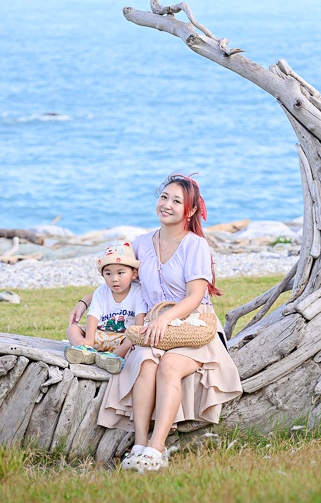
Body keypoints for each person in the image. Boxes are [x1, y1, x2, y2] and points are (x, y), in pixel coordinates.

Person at [68, 174, 242, 473]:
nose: (167, 205)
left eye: (176, 201)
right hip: (152, 330)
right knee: (145, 362)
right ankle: (139, 444)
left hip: (193, 328)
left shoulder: (195, 245)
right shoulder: (141, 244)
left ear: (190, 210)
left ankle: (156, 448)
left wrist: (164, 318)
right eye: (164, 197)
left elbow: (195, 296)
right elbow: (119, 276)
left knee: (170, 365)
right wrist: (85, 301)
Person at [66, 242, 147, 374]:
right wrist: (89, 340)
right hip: (100, 335)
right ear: (102, 275)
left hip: (123, 338)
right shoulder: (101, 291)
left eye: (120, 273)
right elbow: (93, 316)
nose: (114, 279)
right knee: (72, 329)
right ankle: (85, 349)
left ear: (134, 274)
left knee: (131, 340)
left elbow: (140, 320)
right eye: (108, 274)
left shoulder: (138, 291)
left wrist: (135, 338)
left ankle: (112, 358)